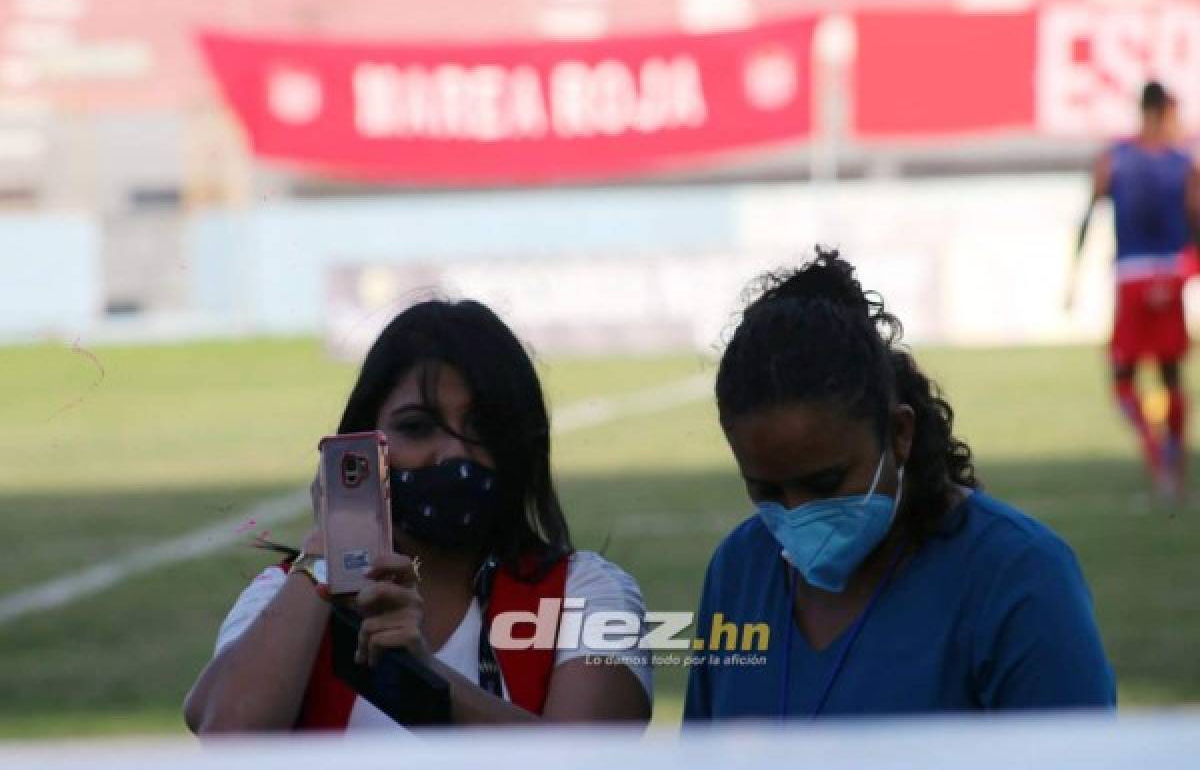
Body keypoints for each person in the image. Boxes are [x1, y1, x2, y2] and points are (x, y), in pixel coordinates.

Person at [684, 248, 1115, 720]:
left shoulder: (1018, 576)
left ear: (900, 434)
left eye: (826, 483)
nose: (797, 512)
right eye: (766, 491)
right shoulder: (739, 570)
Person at [184, 300, 652, 732]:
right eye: (417, 427)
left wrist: (423, 676)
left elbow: (588, 758)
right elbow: (228, 733)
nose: (452, 453)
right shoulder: (287, 594)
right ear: (363, 446)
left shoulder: (588, 594)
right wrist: (326, 553)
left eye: (484, 428)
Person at [1072, 80, 1200, 500]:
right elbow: (1197, 219)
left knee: (1123, 377)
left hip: (1130, 276)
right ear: (1164, 111)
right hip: (1169, 274)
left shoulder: (1115, 159)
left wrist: (1073, 274)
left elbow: (1090, 214)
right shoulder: (1184, 162)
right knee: (1170, 373)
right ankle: (1173, 462)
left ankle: (1155, 455)